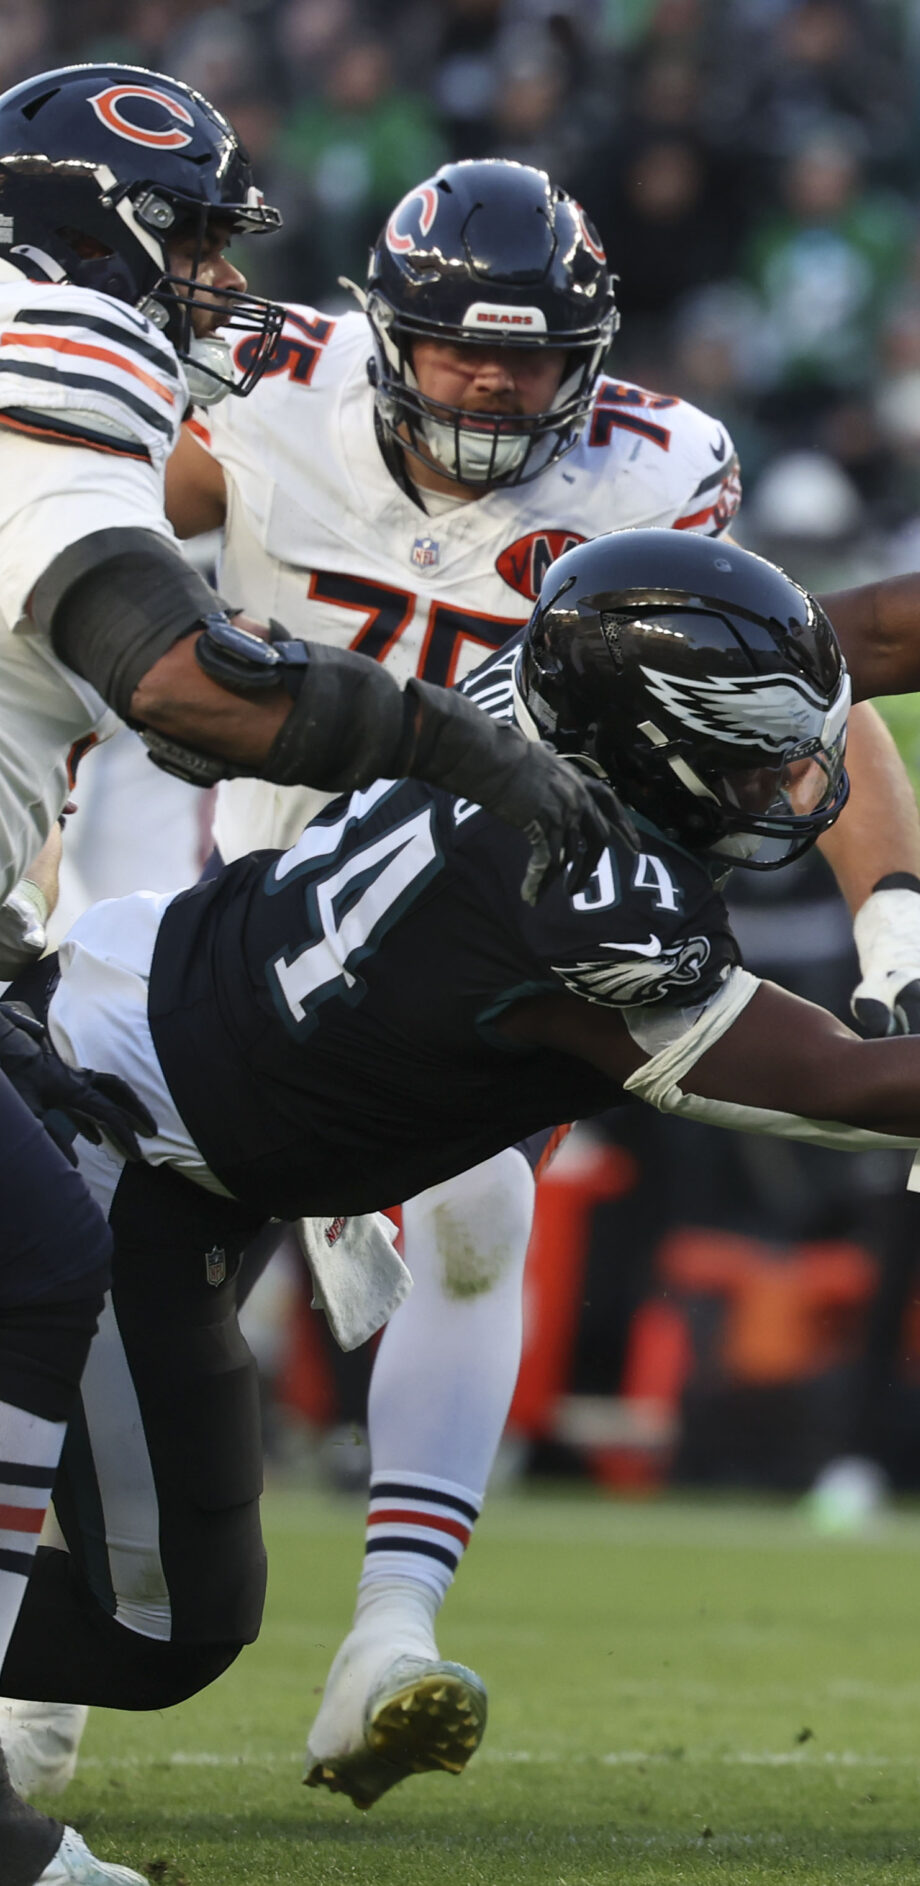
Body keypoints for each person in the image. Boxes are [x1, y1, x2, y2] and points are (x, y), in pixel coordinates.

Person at [0, 531, 920, 1830]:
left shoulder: (540, 703)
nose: (801, 786)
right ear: (658, 758)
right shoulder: (573, 890)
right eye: (764, 765)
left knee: (178, 1618)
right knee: (153, 1624)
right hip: (103, 1125)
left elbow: (865, 634)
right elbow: (839, 1085)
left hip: (177, 1105)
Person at [114, 156, 920, 1811]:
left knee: (479, 1213)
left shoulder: (658, 464)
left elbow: (808, 682)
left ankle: (389, 1633)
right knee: (144, 1254)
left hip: (489, 908)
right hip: (247, 885)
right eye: (457, 350)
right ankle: (41, 1703)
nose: (496, 385)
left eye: (528, 355)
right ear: (384, 332)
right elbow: (90, 543)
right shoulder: (271, 400)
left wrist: (900, 930)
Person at [0, 65, 624, 1886]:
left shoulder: (653, 458)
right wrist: (462, 741)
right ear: (98, 228)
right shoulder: (71, 359)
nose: (214, 275)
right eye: (189, 234)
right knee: (39, 1257)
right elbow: (176, 678)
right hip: (203, 929)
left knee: (173, 1596)